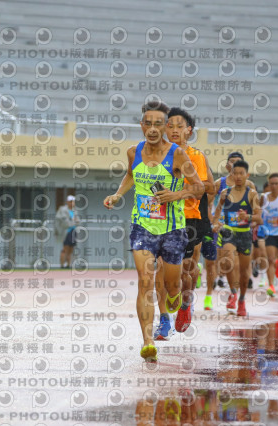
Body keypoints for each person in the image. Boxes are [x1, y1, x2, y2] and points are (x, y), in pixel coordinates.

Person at [103, 100, 204, 362]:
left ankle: (175, 298)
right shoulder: (132, 152)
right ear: (141, 125)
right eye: (147, 123)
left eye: (158, 124)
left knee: (171, 286)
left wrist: (176, 194)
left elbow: (199, 187)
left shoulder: (178, 155)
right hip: (143, 226)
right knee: (145, 281)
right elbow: (130, 175)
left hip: (173, 229)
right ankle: (148, 341)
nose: (152, 128)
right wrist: (117, 195)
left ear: (166, 126)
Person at [153, 107, 215, 339]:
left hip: (189, 218)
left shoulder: (195, 156)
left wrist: (176, 193)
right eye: (170, 126)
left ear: (189, 130)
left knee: (186, 272)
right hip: (161, 218)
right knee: (161, 269)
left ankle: (186, 303)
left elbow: (204, 188)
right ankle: (164, 321)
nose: (174, 130)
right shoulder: (156, 154)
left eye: (179, 126)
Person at [212, 160, 262, 317]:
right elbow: (218, 210)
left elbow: (259, 218)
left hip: (244, 234)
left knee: (244, 273)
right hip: (228, 232)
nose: (238, 176)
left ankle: (241, 300)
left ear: (247, 175)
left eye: (242, 173)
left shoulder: (252, 194)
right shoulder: (225, 193)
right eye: (235, 173)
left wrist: (247, 217)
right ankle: (233, 292)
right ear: (231, 174)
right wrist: (215, 223)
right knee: (228, 262)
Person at [55, 194, 80, 268]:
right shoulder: (62, 209)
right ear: (67, 202)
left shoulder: (75, 210)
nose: (72, 203)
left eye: (73, 201)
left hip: (73, 231)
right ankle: (62, 265)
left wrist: (73, 222)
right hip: (66, 232)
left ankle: (68, 265)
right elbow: (65, 222)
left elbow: (78, 221)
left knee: (71, 249)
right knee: (65, 249)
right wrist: (73, 222)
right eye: (70, 201)